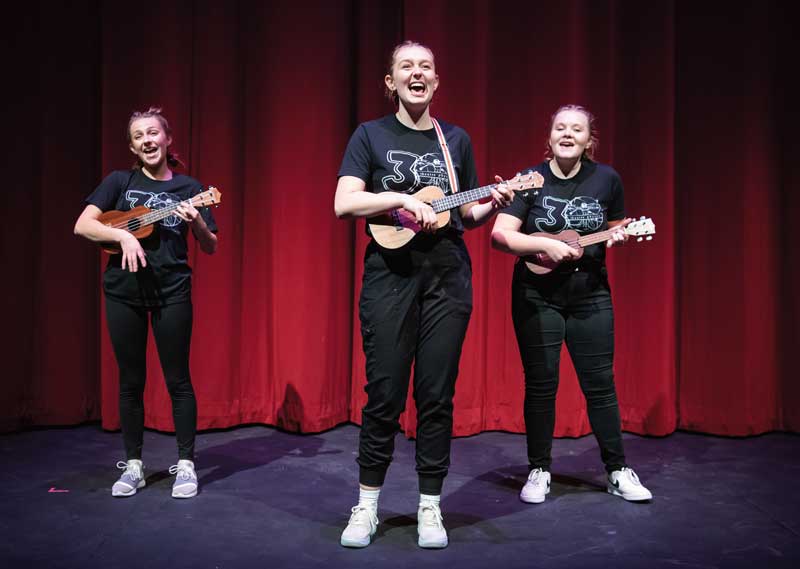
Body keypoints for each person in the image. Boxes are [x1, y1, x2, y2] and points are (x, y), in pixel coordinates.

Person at [334, 41, 513, 549]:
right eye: (406, 67)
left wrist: (492, 201)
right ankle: (367, 504)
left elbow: (465, 214)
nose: (417, 73)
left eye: (426, 67)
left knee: (436, 394)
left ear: (436, 81)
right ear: (390, 82)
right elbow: (344, 202)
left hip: (447, 275)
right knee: (385, 393)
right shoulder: (370, 135)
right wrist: (402, 199)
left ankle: (429, 507)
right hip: (390, 272)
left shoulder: (453, 139)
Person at [491, 104, 652, 505]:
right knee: (541, 385)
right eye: (560, 128)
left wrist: (619, 237)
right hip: (535, 294)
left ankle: (617, 469)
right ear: (548, 138)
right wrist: (546, 244)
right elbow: (501, 235)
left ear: (588, 140)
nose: (567, 134)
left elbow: (615, 228)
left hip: (590, 294)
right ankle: (539, 469)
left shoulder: (607, 180)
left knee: (600, 385)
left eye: (576, 129)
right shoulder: (530, 180)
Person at [74, 107, 218, 499]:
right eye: (139, 136)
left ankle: (186, 465)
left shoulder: (190, 187)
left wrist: (198, 222)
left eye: (153, 133)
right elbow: (83, 224)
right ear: (133, 147)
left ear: (168, 139)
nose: (147, 141)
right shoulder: (119, 181)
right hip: (123, 293)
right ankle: (134, 465)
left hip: (172, 292)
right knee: (131, 381)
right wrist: (123, 237)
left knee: (178, 379)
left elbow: (210, 246)